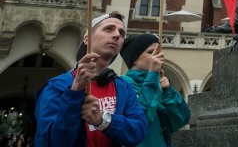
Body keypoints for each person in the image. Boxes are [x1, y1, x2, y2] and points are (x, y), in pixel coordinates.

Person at [34, 12, 147, 146]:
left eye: (121, 33)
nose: (117, 35)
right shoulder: (56, 86)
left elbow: (139, 131)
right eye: (108, 29)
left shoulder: (124, 88)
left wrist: (103, 120)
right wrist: (75, 93)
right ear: (87, 39)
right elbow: (54, 142)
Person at [119, 34, 190, 146]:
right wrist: (152, 76)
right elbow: (140, 117)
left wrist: (167, 91)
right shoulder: (123, 84)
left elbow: (182, 118)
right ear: (134, 59)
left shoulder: (158, 84)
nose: (157, 56)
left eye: (158, 52)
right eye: (151, 52)